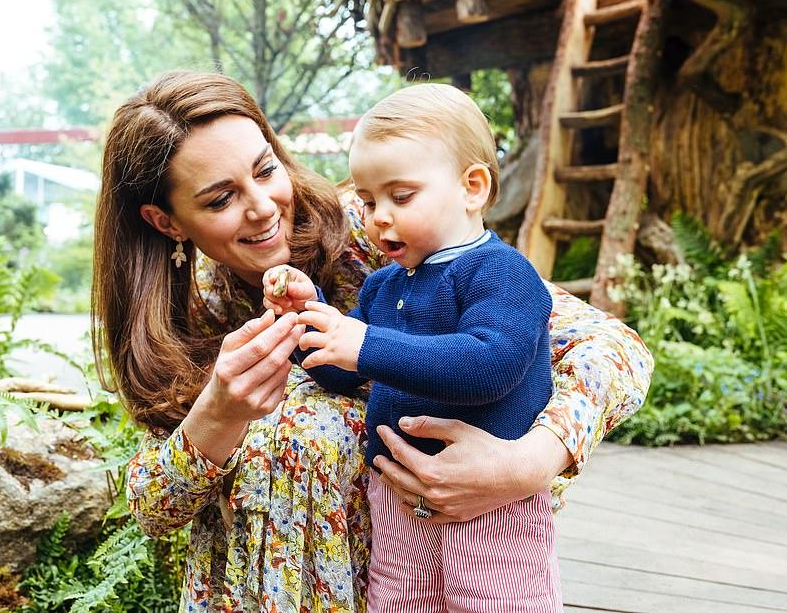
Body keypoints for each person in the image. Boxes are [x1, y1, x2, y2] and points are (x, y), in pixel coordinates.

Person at [92, 70, 653, 613]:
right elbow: (153, 508)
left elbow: (614, 347)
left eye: (266, 171)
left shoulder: (384, 231)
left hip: (447, 552)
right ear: (167, 223)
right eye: (220, 200)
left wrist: (529, 464)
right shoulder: (182, 319)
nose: (262, 207)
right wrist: (217, 415)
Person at [262, 83, 560, 612]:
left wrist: (367, 345)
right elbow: (341, 371)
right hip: (396, 502)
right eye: (369, 200)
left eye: (401, 197)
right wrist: (308, 320)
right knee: (398, 600)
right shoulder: (383, 286)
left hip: (488, 510)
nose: (379, 216)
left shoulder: (501, 273)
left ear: (472, 188)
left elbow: (491, 364)